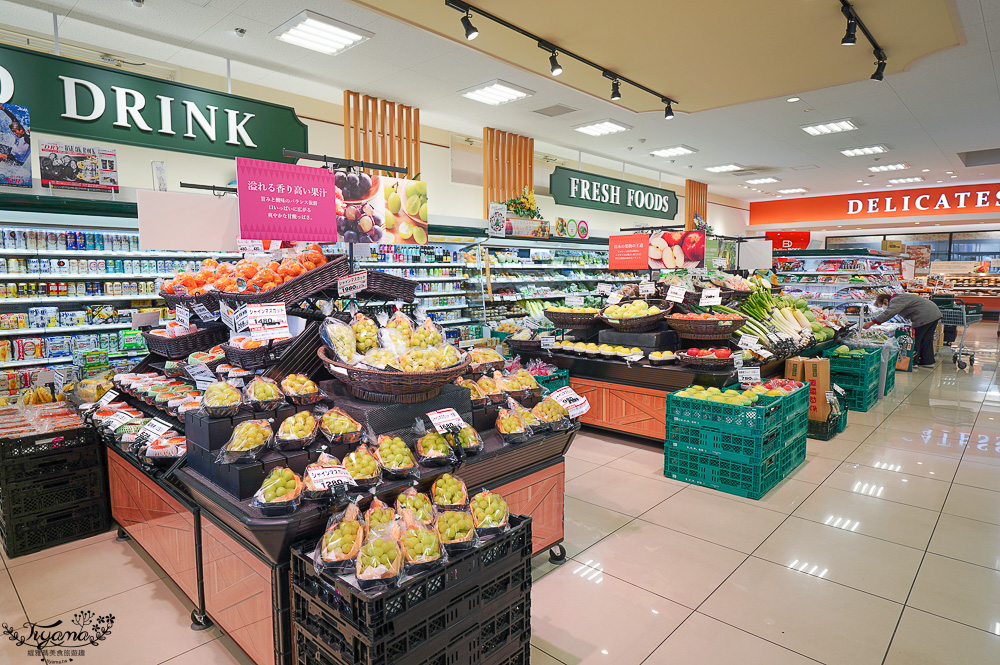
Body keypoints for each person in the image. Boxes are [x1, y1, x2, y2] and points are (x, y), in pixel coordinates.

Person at [864, 293, 942, 368]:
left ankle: (913, 362)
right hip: (932, 313)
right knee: (926, 339)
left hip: (924, 316)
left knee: (916, 339)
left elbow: (889, 312)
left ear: (886, 300)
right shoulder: (899, 298)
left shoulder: (896, 300)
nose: (884, 307)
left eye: (883, 305)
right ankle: (928, 361)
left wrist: (872, 322)